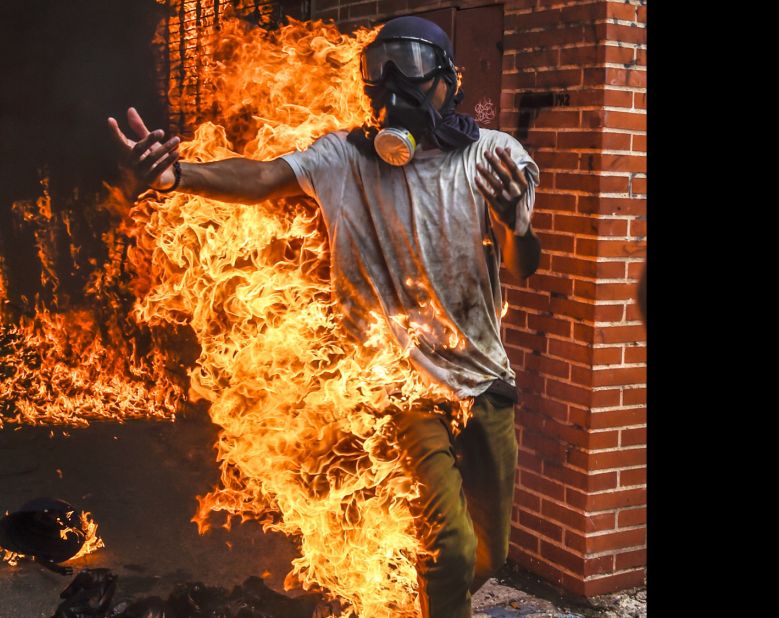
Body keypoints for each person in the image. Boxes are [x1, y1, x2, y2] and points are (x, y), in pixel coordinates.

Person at [109, 16, 540, 618]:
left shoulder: (493, 158)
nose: (394, 84)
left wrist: (517, 224)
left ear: (447, 81)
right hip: (404, 385)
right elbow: (259, 177)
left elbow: (523, 265)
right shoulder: (343, 158)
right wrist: (176, 175)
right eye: (380, 69)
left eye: (411, 65)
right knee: (450, 544)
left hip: (486, 383)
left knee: (488, 557)